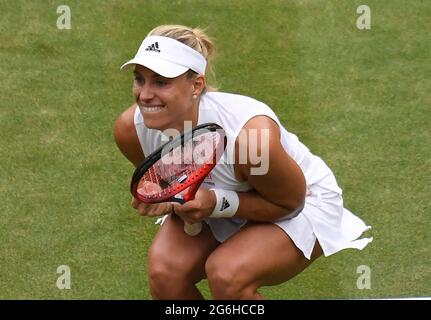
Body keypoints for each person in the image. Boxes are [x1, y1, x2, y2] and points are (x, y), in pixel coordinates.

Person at [114, 24, 373, 300]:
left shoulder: (249, 137)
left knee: (227, 273)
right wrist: (170, 199)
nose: (144, 94)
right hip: (224, 200)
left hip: (301, 201)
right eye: (139, 79)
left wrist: (214, 202)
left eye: (161, 81)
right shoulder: (131, 130)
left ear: (196, 85)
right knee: (166, 272)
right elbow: (177, 186)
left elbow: (289, 204)